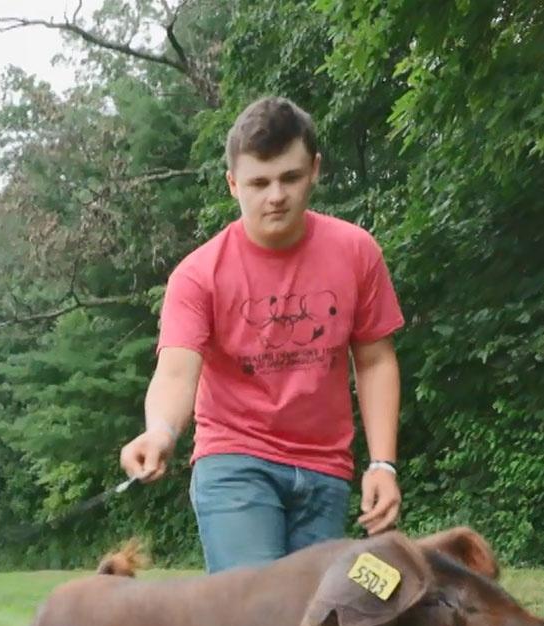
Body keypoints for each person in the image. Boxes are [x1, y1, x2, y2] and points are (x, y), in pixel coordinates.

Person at [119, 96, 406, 573]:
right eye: (258, 182)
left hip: (325, 467)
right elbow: (175, 372)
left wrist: (383, 464)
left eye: (290, 178)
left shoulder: (357, 253)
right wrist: (160, 432)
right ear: (233, 184)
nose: (276, 196)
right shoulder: (198, 275)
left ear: (315, 170)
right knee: (255, 619)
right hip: (235, 461)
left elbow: (376, 361)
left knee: (316, 625)